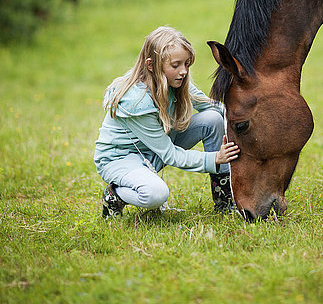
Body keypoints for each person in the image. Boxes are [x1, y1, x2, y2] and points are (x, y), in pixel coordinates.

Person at [94, 26, 240, 219]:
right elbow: (170, 155)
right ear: (151, 65)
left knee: (212, 119)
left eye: (187, 64)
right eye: (176, 65)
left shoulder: (174, 81)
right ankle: (115, 195)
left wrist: (244, 116)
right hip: (121, 158)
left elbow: (212, 107)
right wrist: (214, 158)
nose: (184, 71)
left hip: (152, 149)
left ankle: (224, 200)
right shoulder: (137, 101)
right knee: (156, 194)